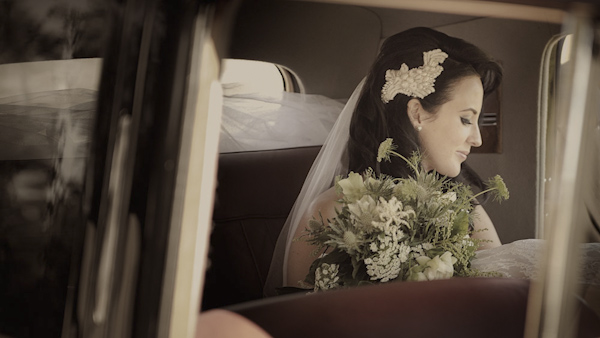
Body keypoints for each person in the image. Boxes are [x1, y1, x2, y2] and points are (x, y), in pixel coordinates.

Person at [263, 27, 504, 294]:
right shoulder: (329, 213)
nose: (477, 139)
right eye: (466, 119)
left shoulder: (466, 212)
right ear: (417, 113)